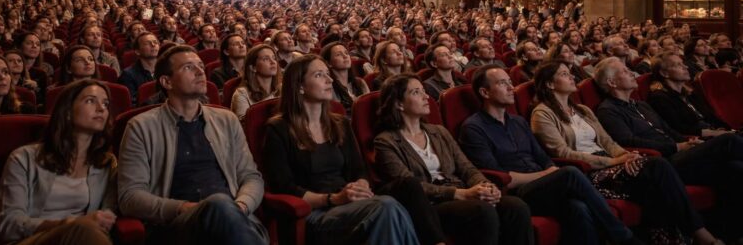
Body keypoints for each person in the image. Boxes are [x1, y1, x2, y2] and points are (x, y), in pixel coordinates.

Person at [530, 61, 720, 244]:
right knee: (657, 165)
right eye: (564, 74)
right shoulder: (542, 113)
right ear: (549, 83)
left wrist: (627, 155)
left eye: (570, 72)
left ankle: (671, 240)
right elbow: (562, 153)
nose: (572, 76)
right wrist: (613, 162)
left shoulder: (582, 110)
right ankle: (700, 233)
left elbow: (607, 142)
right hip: (588, 172)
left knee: (653, 185)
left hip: (611, 164)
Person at [459, 64, 643, 245]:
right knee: (569, 173)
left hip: (542, 185)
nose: (511, 88)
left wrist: (550, 171)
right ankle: (624, 237)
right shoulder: (474, 128)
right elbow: (500, 179)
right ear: (485, 93)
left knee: (577, 207)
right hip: (516, 194)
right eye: (502, 83)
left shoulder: (518, 122)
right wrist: (547, 174)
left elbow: (544, 159)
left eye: (509, 82)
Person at [262, 55, 421, 245]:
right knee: (386, 207)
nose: (330, 80)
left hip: (349, 203)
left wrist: (360, 186)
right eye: (319, 75)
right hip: (314, 213)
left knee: (394, 207)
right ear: (300, 86)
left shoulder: (340, 123)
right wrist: (333, 199)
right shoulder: (278, 129)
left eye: (328, 74)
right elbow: (284, 186)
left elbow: (359, 170)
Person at [117, 44, 268, 244]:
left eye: (200, 65)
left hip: (235, 219)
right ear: (166, 82)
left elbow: (251, 177)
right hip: (176, 226)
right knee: (219, 203)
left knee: (222, 206)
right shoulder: (140, 127)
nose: (200, 71)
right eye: (188, 67)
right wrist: (183, 207)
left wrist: (240, 207)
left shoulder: (226, 120)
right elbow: (130, 197)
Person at [593, 57, 743, 240]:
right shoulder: (608, 110)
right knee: (729, 140)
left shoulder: (642, 104)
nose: (632, 73)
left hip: (683, 155)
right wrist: (676, 146)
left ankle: (732, 234)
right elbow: (627, 140)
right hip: (664, 161)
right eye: (624, 71)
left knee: (734, 168)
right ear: (611, 82)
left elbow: (669, 131)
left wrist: (691, 142)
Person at [375, 73, 533, 245]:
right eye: (416, 92)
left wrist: (486, 185)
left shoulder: (438, 131)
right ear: (398, 103)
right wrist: (460, 194)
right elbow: (410, 186)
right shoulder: (386, 141)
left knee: (516, 207)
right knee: (482, 210)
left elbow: (466, 167)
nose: (426, 96)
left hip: (461, 191)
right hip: (431, 205)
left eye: (423, 90)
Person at [0, 79, 117, 245]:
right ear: (67, 112)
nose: (101, 109)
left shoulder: (106, 163)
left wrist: (101, 219)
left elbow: (108, 215)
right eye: (90, 101)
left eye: (105, 104)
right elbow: (8, 224)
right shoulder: (23, 158)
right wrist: (67, 224)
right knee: (84, 229)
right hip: (28, 240)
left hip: (82, 240)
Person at [646, 53, 731, 137]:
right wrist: (713, 133)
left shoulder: (689, 93)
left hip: (715, 133)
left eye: (683, 63)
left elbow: (710, 115)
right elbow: (678, 129)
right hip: (698, 140)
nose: (686, 67)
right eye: (678, 65)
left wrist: (728, 129)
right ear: (664, 73)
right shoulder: (659, 98)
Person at [231, 44, 281, 120]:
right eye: (266, 59)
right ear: (253, 67)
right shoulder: (242, 94)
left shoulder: (283, 88)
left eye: (274, 58)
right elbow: (246, 126)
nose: (273, 62)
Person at [320, 41, 369, 115]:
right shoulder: (329, 87)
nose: (345, 56)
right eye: (338, 54)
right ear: (328, 63)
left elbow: (369, 108)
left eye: (346, 53)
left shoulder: (360, 82)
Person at [118, 32, 159, 105]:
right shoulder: (128, 75)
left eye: (155, 42)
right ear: (137, 51)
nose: (153, 45)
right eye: (147, 43)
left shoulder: (166, 69)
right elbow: (133, 103)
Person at [210, 34, 247, 100]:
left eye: (243, 43)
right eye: (236, 44)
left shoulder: (252, 69)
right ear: (226, 52)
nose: (241, 46)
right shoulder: (218, 74)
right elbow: (224, 98)